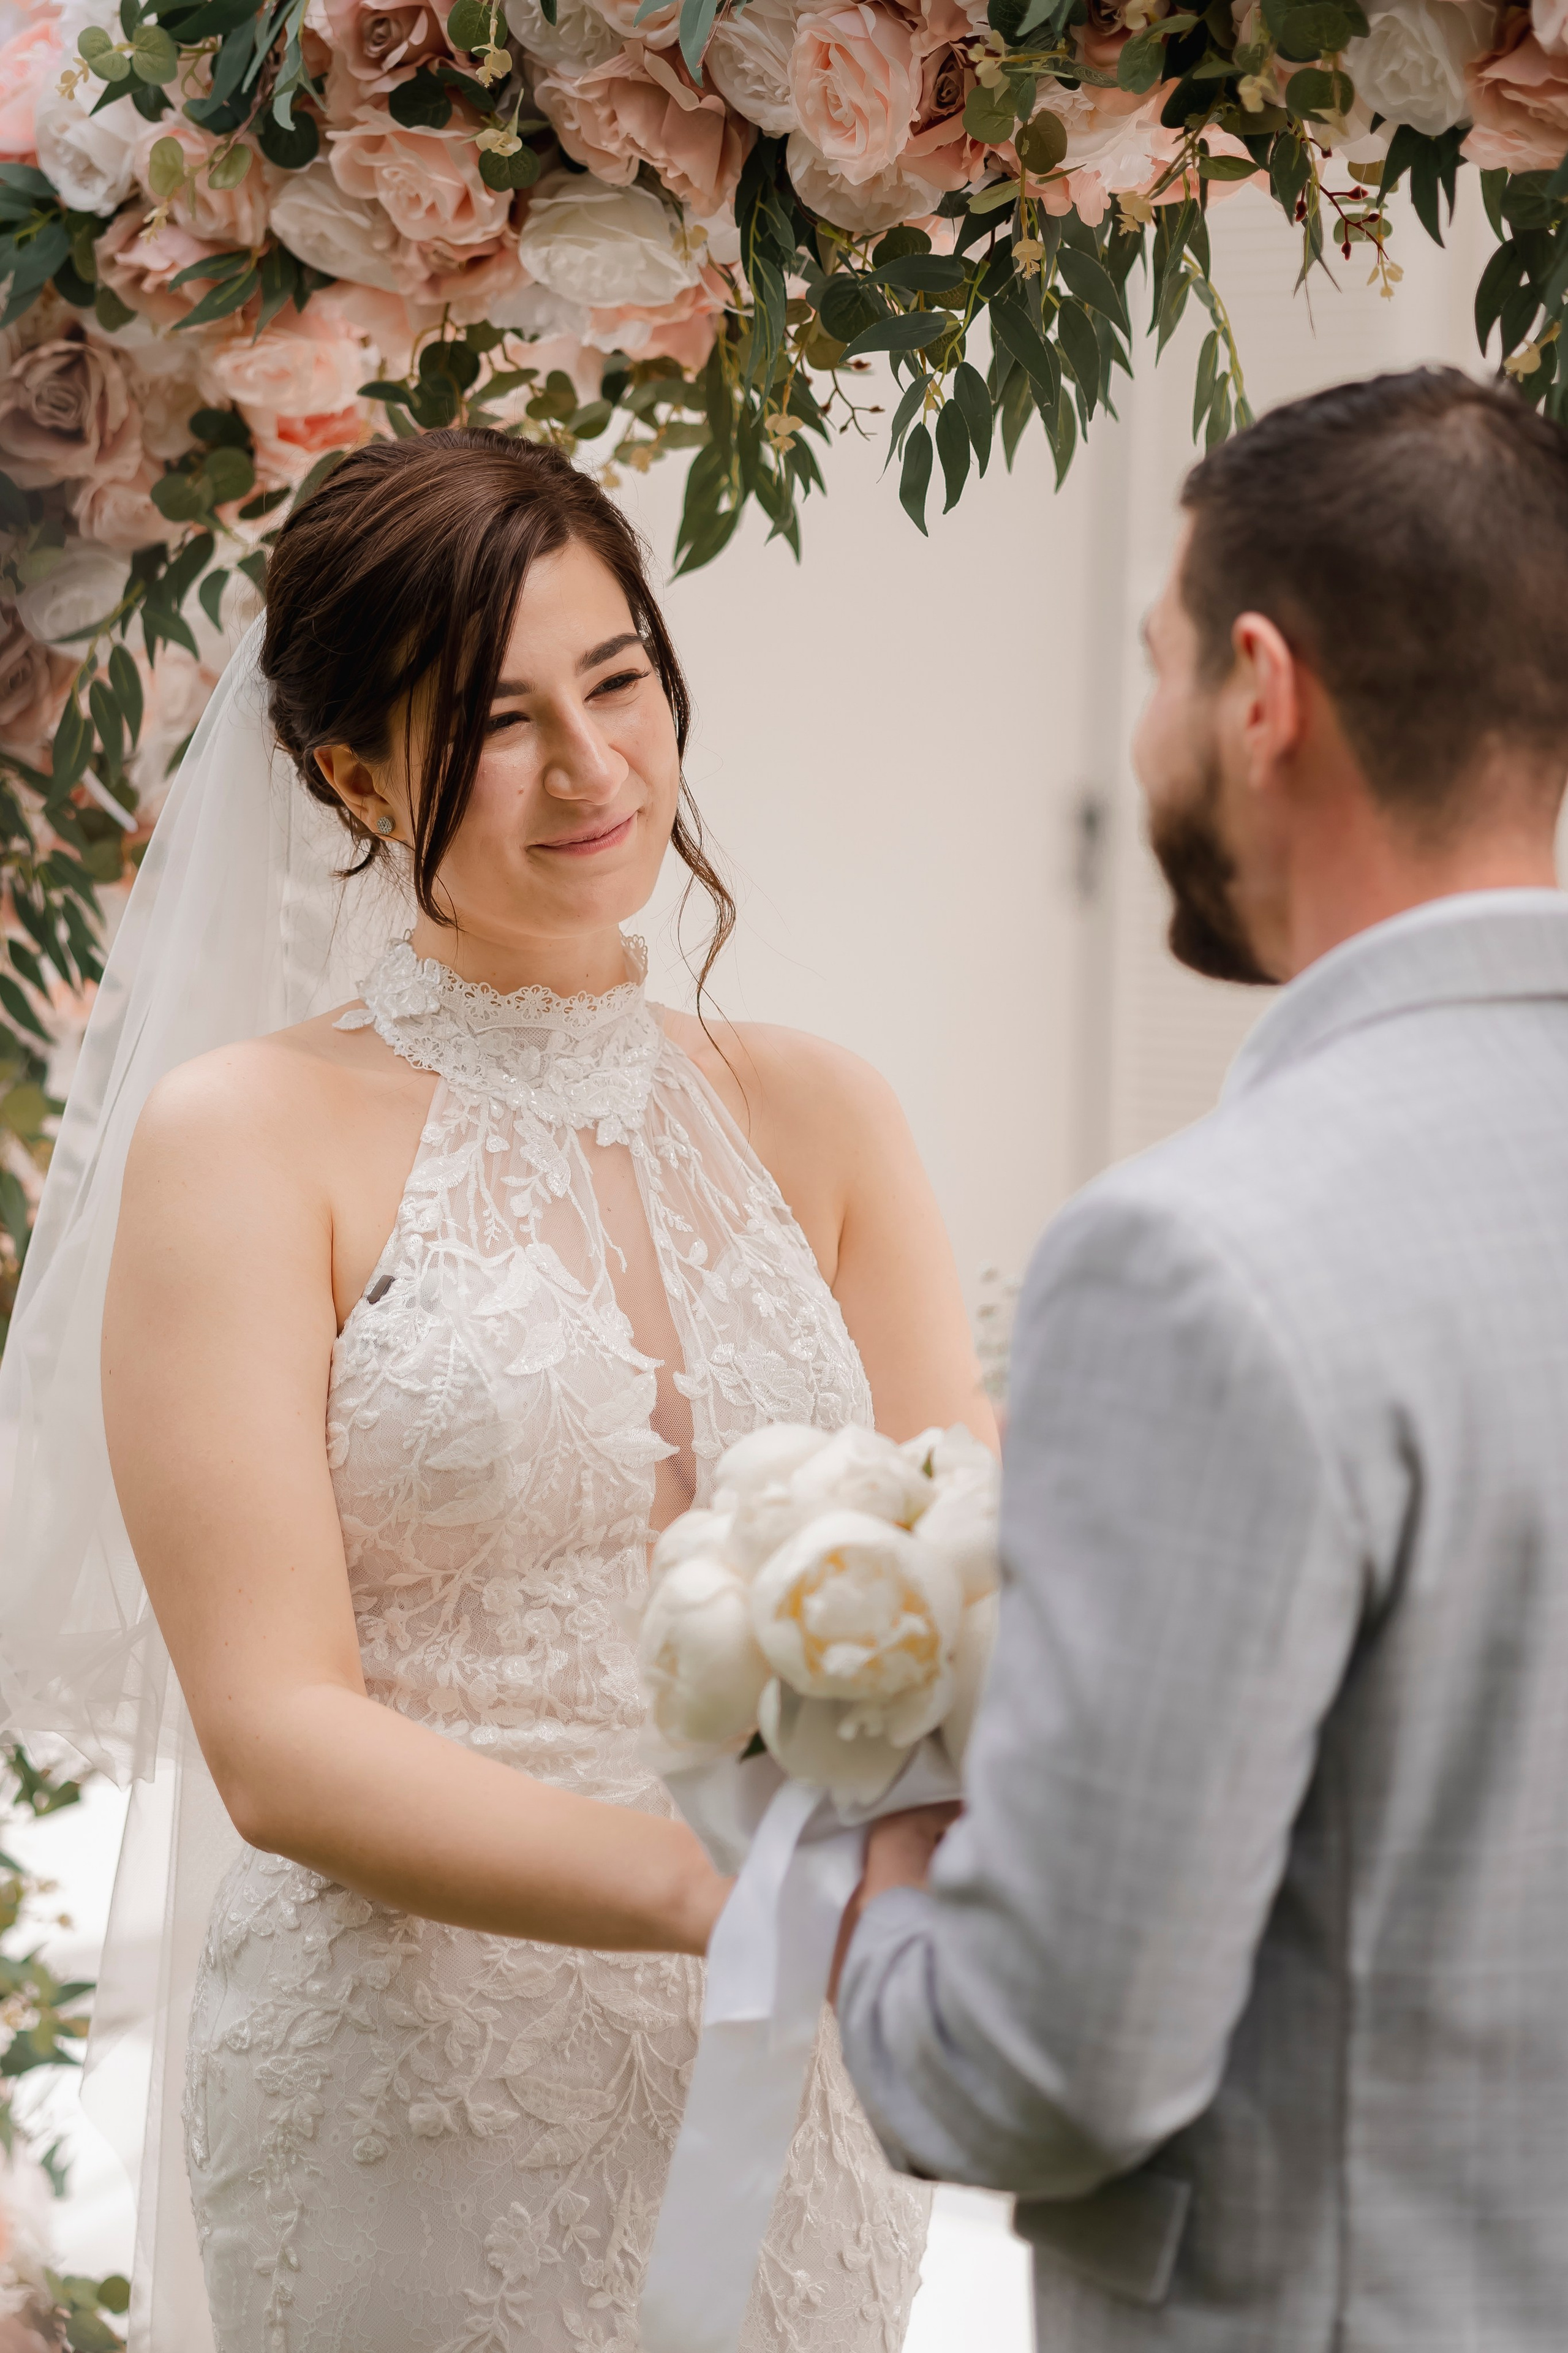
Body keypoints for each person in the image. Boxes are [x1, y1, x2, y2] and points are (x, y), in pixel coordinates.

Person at [3, 430, 995, 2352]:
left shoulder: (825, 1108)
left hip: (801, 2089)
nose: (594, 767)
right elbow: (279, 1737)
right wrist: (711, 1895)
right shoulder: (245, 1142)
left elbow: (958, 1567)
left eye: (618, 678)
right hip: (422, 2093)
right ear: (355, 773)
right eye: (498, 721)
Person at [834, 367, 1568, 2351]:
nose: (1149, 722)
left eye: (1156, 663)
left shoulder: (1200, 1261)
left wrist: (877, 1857)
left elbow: (1052, 2062)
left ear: (1262, 688)